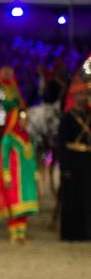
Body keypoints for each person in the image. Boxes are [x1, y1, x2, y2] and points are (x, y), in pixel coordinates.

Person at [0, 108, 39, 244]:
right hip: (14, 178)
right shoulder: (8, 139)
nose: (24, 123)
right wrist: (6, 176)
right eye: (22, 120)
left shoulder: (30, 138)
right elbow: (4, 158)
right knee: (14, 205)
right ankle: (14, 234)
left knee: (24, 206)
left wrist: (35, 172)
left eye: (26, 120)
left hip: (27, 178)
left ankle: (22, 234)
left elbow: (33, 157)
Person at [58, 62, 91, 241]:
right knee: (72, 198)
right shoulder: (67, 118)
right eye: (80, 94)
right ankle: (71, 233)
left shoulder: (88, 116)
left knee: (87, 197)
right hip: (72, 159)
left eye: (85, 94)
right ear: (74, 96)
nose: (83, 97)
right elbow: (61, 144)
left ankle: (87, 232)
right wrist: (65, 167)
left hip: (87, 159)